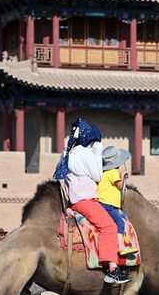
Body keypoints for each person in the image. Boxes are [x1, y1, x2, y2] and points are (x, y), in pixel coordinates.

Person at [53, 117, 131, 285]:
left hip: (76, 200)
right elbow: (97, 175)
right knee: (109, 227)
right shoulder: (84, 153)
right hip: (86, 201)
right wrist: (97, 152)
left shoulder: (68, 152)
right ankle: (112, 270)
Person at [98, 146, 138, 257]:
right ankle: (120, 247)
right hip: (107, 205)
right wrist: (122, 176)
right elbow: (120, 186)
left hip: (103, 203)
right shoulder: (113, 172)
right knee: (120, 222)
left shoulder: (104, 173)